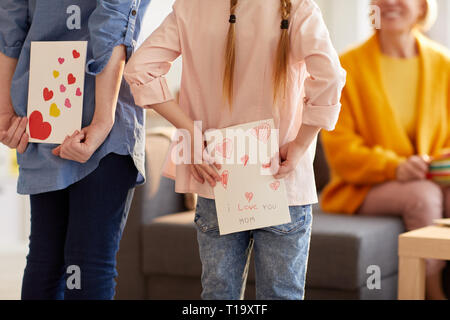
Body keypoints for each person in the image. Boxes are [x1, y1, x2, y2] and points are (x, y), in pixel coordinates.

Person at [124, 0, 346, 299]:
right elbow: (330, 77)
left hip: (216, 178)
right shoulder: (298, 7)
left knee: (218, 296)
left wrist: (191, 133)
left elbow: (139, 69)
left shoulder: (192, 7)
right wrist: (301, 144)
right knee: (282, 295)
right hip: (280, 182)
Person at [0, 0, 150, 299]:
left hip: (41, 104)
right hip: (101, 105)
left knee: (46, 259)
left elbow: (10, 17)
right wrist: (103, 118)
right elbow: (115, 16)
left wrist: (5, 108)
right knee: (89, 263)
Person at [320, 0, 449, 300]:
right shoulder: (346, 66)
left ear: (421, 7)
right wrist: (395, 167)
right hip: (363, 186)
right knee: (422, 196)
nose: (389, 2)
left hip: (433, 177)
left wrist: (437, 164)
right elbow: (340, 147)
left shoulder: (444, 65)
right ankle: (430, 293)